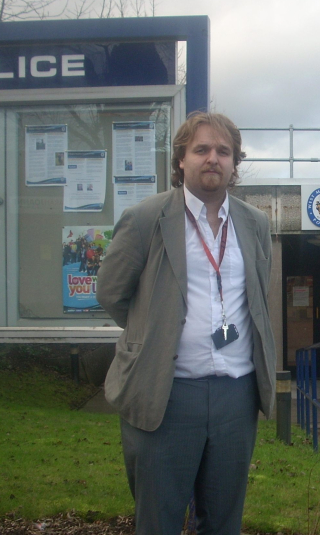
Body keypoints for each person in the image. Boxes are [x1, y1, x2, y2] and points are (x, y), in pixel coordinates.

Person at [96, 111, 276, 535]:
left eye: (223, 151)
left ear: (234, 163)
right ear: (181, 160)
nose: (212, 158)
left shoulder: (255, 224)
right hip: (167, 395)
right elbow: (111, 292)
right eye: (201, 149)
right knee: (157, 521)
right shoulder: (145, 219)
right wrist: (154, 331)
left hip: (236, 395)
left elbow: (255, 297)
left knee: (223, 523)